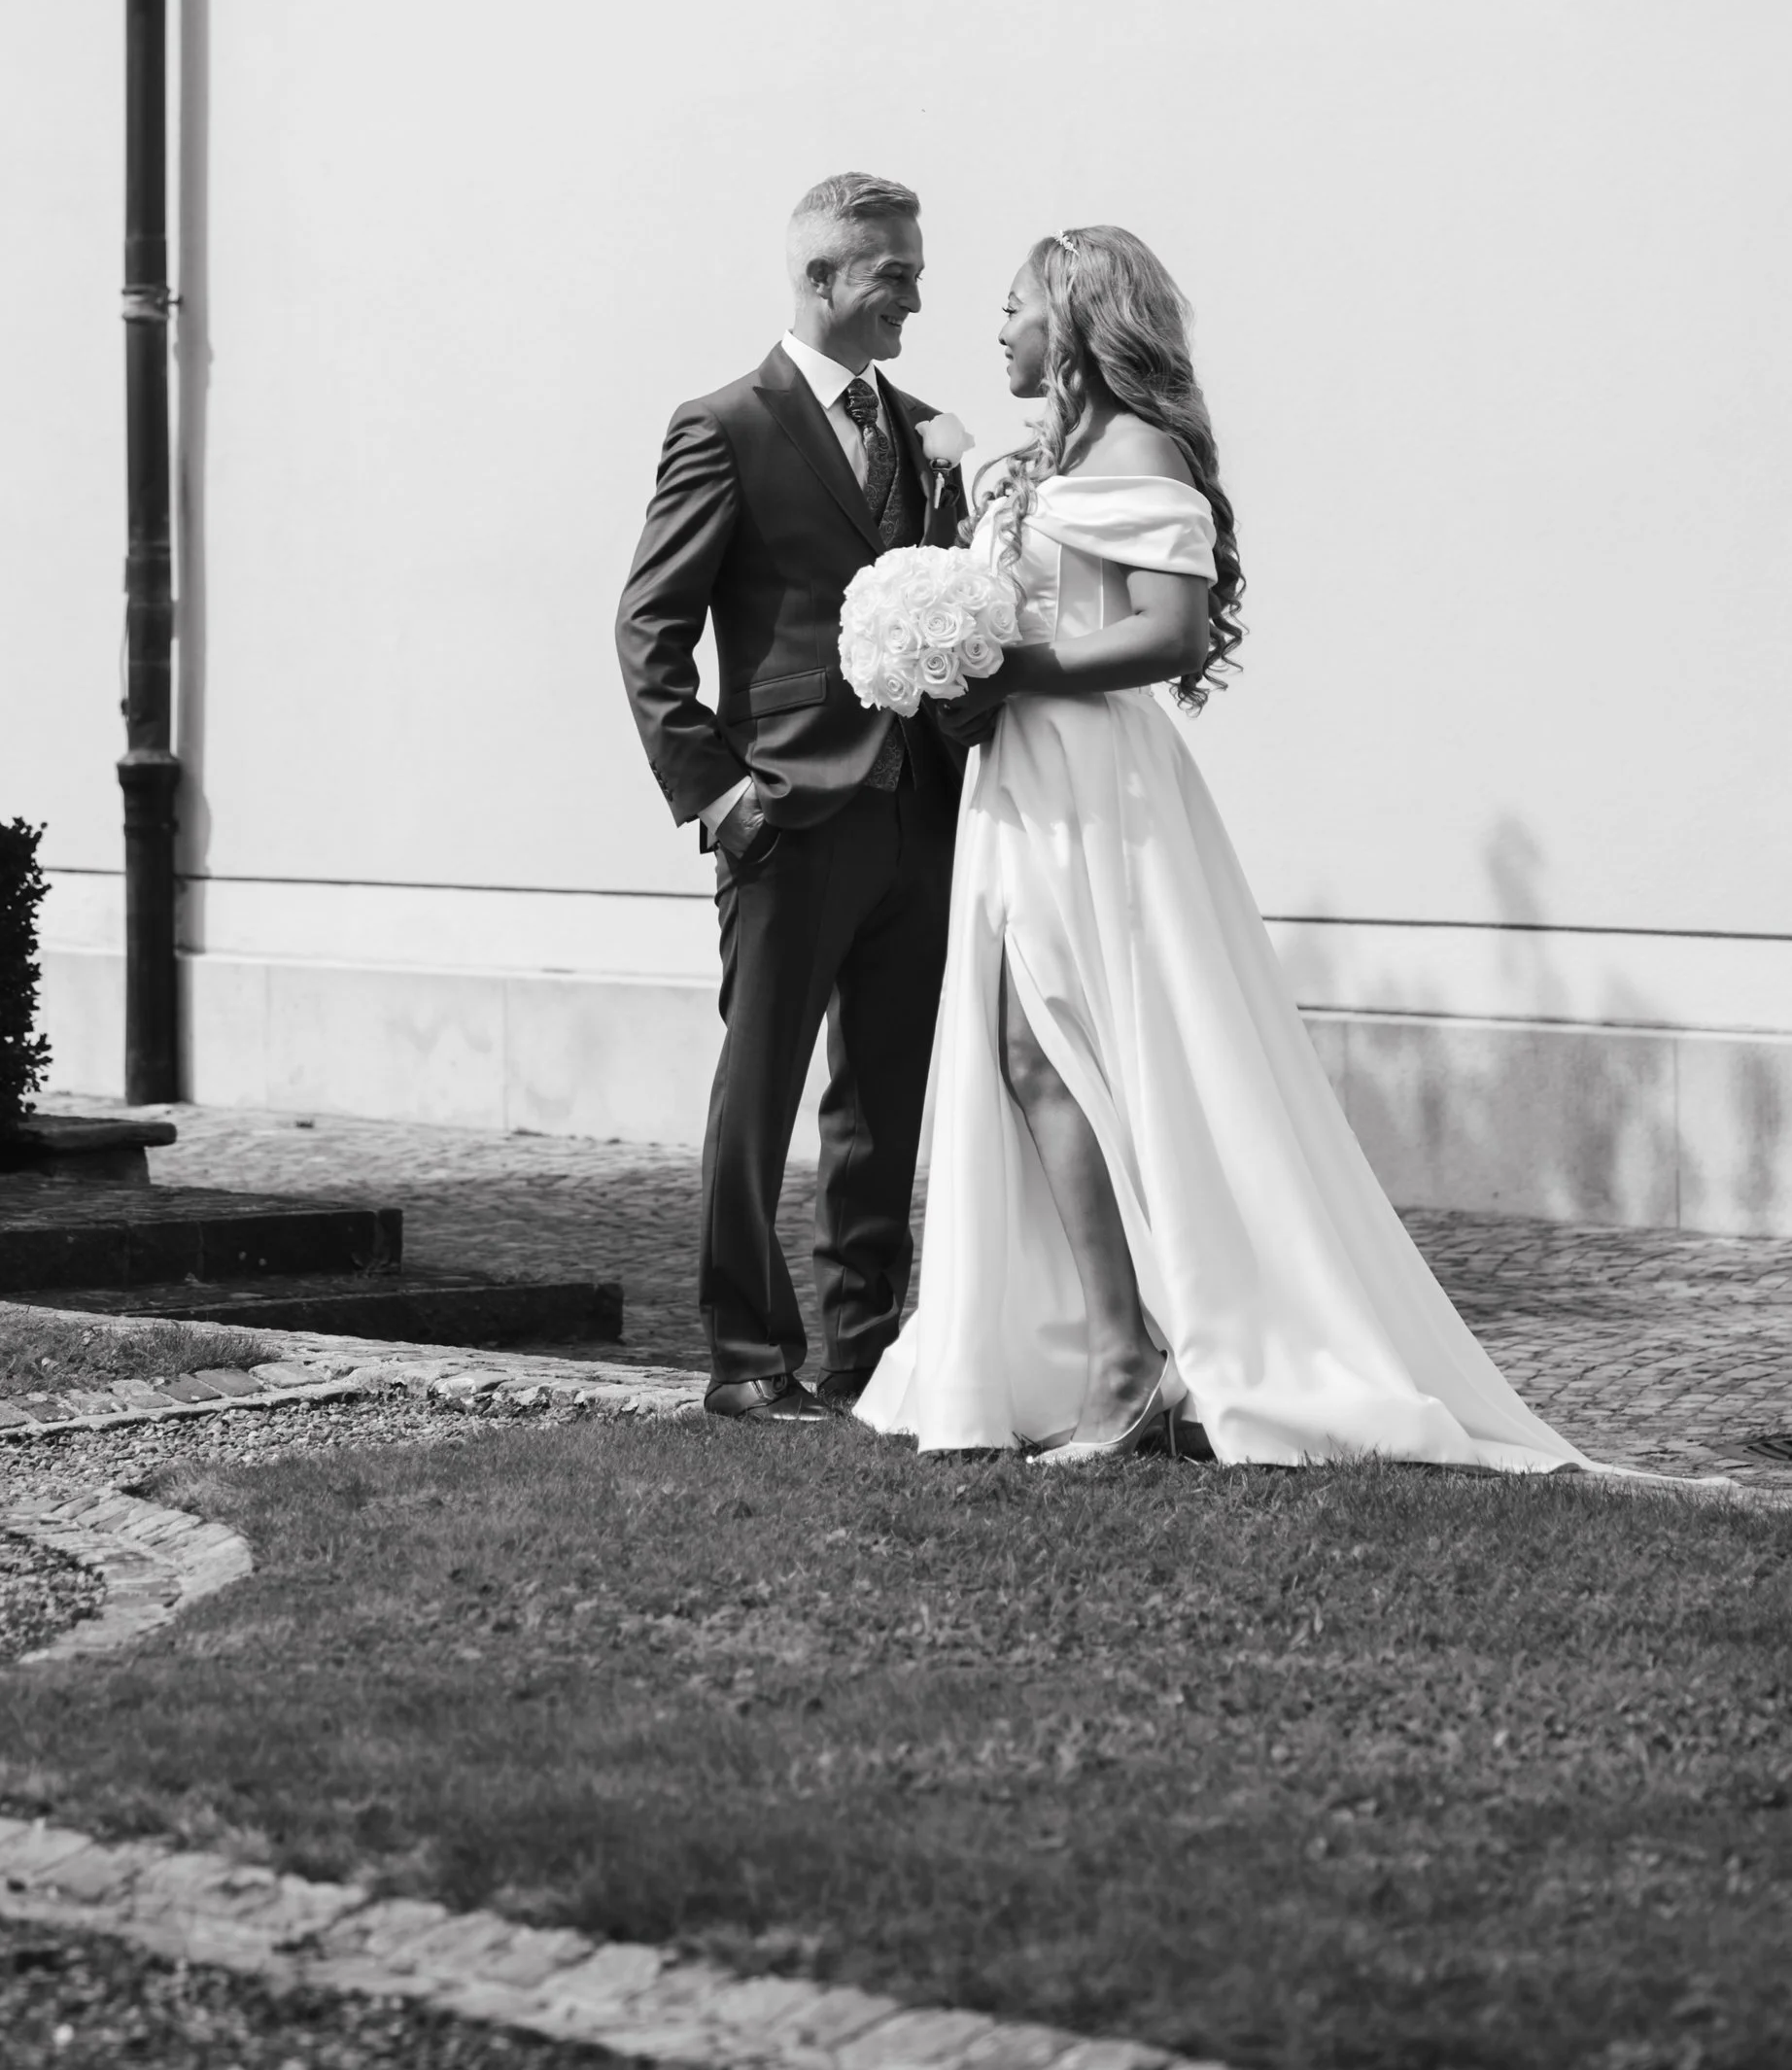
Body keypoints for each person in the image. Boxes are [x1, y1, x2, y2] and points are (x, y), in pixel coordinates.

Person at [858, 226, 1582, 1472]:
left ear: (1075, 320)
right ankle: (1110, 1352)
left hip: (1093, 782)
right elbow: (1039, 601)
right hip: (1021, 780)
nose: (996, 331)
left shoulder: (1138, 451)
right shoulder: (1047, 460)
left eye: (1013, 306)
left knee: (1065, 1047)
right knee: (1019, 1051)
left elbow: (1168, 634)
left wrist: (1010, 664)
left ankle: (1134, 1364)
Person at [616, 175, 969, 1423]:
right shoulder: (726, 425)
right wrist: (719, 800)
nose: (916, 296)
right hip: (785, 819)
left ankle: (866, 1358)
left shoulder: (930, 435)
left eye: (917, 270)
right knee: (756, 1096)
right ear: (820, 279)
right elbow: (648, 628)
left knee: (883, 1103)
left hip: (916, 816)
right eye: (893, 275)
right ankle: (748, 1357)